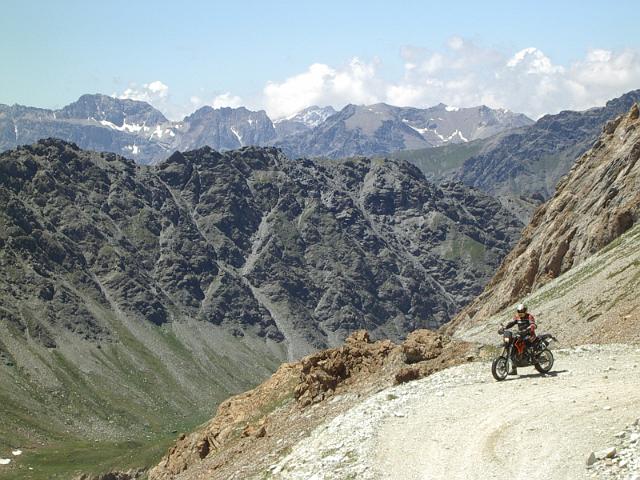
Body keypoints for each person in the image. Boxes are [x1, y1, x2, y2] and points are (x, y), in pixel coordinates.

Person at [503, 303, 536, 374]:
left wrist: (529, 328)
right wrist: (505, 327)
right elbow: (512, 323)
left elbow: (533, 324)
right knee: (513, 347)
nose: (520, 312)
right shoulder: (517, 317)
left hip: (530, 334)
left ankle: (533, 359)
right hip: (521, 334)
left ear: (525, 310)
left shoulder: (529, 316)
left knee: (528, 344)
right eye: (519, 311)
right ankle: (514, 369)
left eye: (522, 311)